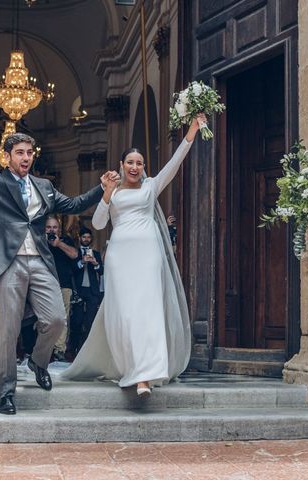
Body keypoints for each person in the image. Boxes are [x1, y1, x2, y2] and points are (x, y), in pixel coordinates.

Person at [0, 100, 114, 415]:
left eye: (29, 153)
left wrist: (101, 190)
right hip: (7, 263)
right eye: (19, 153)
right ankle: (6, 393)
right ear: (7, 156)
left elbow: (74, 204)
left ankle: (39, 362)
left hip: (39, 261)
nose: (25, 158)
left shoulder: (45, 186)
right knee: (7, 331)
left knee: (56, 319)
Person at [61, 113, 206, 395]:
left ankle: (144, 376)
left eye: (139, 163)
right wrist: (106, 193)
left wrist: (192, 132)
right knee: (125, 313)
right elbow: (100, 224)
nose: (135, 167)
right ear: (121, 165)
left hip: (148, 252)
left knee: (147, 311)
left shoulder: (151, 186)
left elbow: (175, 163)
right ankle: (129, 366)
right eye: (130, 162)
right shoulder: (112, 192)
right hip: (119, 257)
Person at [45, 215, 77, 361]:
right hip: (44, 285)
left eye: (55, 227)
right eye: (49, 227)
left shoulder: (66, 241)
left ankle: (59, 350)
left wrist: (59, 244)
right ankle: (44, 349)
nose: (52, 230)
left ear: (59, 229)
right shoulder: (40, 241)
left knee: (63, 318)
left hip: (64, 285)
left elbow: (74, 254)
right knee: (45, 318)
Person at [69, 226, 103, 354]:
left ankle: (86, 350)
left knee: (90, 321)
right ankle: (74, 348)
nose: (86, 239)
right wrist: (82, 262)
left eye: (88, 237)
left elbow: (101, 271)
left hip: (92, 291)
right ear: (80, 238)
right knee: (77, 320)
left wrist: (95, 264)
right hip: (79, 290)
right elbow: (72, 270)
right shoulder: (75, 252)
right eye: (84, 237)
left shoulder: (96, 254)